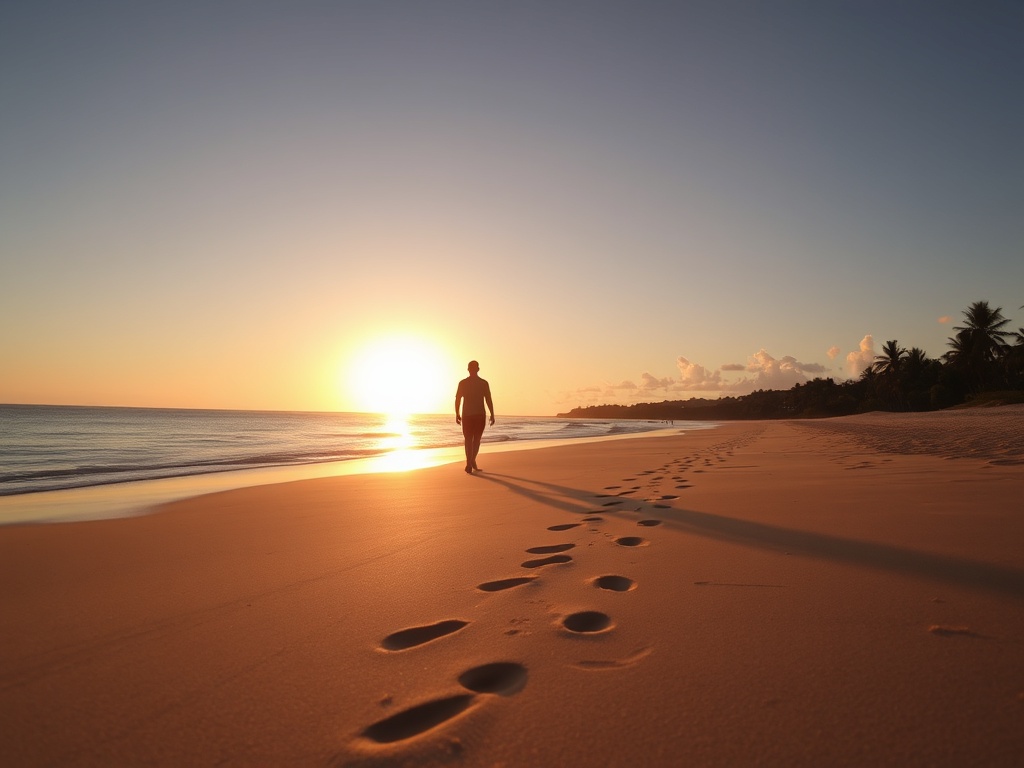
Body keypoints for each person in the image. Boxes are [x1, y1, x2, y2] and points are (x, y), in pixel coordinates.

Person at [455, 360, 495, 473]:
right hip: (478, 415)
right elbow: (488, 400)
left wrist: (457, 413)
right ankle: (472, 460)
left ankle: (469, 462)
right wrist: (492, 413)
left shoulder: (463, 383)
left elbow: (457, 399)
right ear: (478, 369)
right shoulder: (483, 383)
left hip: (468, 415)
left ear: (468, 369)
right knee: (476, 439)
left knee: (468, 439)